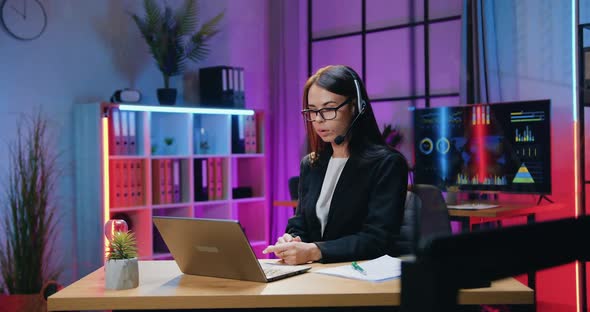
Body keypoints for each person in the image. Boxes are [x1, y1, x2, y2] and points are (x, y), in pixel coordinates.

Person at [263, 65, 409, 265]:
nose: (319, 120)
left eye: (329, 109)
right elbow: (300, 223)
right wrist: (292, 240)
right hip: (316, 273)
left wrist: (314, 251)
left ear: (356, 106)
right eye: (312, 111)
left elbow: (377, 239)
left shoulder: (387, 164)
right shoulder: (312, 164)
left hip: (360, 276)